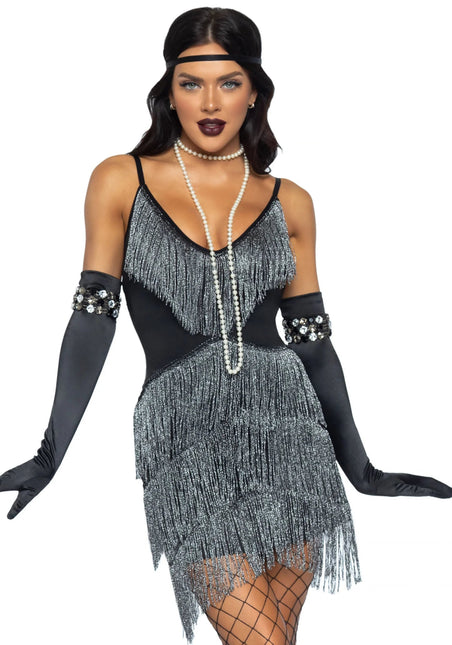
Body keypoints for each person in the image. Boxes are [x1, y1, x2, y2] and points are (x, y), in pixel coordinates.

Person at [1, 6, 451, 644]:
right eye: (191, 83)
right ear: (169, 91)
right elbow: (92, 321)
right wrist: (50, 455)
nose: (210, 102)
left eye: (229, 83)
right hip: (184, 438)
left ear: (255, 92)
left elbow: (314, 344)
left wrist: (362, 470)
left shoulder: (290, 200)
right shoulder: (121, 180)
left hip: (290, 436)